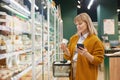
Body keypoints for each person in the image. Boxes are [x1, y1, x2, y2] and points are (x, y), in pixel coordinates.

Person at [60, 13, 104, 80]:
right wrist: (65, 50)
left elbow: (99, 60)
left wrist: (86, 54)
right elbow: (69, 56)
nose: (78, 26)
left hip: (86, 74)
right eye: (76, 24)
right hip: (73, 70)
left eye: (80, 24)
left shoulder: (95, 40)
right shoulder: (73, 38)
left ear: (87, 23)